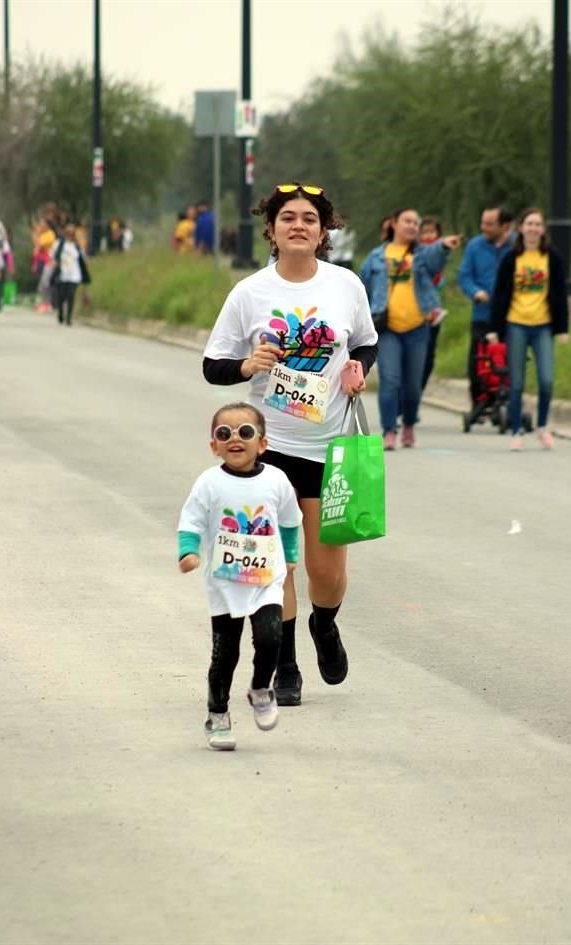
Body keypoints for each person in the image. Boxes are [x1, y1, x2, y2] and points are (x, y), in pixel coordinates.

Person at [202, 182, 378, 707]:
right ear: (272, 231)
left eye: (308, 219)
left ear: (323, 231)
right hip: (269, 451)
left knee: (328, 572)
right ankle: (286, 664)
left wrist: (356, 369)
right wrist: (246, 365)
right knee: (276, 565)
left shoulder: (345, 285)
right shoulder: (250, 293)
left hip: (331, 449)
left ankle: (325, 625)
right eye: (288, 219)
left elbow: (366, 342)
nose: (298, 225)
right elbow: (213, 365)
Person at [178, 402, 302, 750]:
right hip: (225, 580)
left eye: (245, 432)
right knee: (225, 653)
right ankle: (217, 713)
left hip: (266, 578)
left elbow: (292, 521)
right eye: (224, 433)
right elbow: (191, 522)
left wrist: (290, 556)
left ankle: (261, 688)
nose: (235, 439)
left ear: (262, 443)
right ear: (213, 445)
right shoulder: (209, 483)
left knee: (270, 638)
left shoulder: (276, 480)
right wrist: (188, 552)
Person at [359, 208, 461, 449]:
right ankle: (389, 430)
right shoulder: (375, 257)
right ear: (394, 223)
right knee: (390, 379)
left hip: (418, 328)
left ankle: (409, 424)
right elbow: (360, 287)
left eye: (416, 223)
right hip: (387, 329)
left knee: (413, 384)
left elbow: (436, 261)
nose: (412, 226)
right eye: (407, 221)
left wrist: (444, 246)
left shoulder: (423, 254)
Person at [488, 208, 569, 451]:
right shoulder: (511, 258)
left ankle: (542, 426)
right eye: (529, 224)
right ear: (522, 228)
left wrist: (562, 328)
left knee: (546, 380)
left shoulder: (551, 257)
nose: (533, 228)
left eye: (537, 224)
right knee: (516, 383)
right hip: (517, 325)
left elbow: (560, 293)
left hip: (543, 326)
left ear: (542, 230)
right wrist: (495, 329)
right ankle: (516, 430)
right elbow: (500, 294)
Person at [458, 206, 515, 405]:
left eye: (489, 224)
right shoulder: (475, 246)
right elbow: (464, 276)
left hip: (511, 316)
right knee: (478, 362)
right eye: (483, 223)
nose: (484, 228)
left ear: (505, 226)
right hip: (482, 314)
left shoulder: (518, 246)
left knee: (509, 360)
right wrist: (476, 292)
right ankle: (480, 402)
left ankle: (507, 399)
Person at [418, 215, 448, 390]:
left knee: (429, 354)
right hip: (415, 312)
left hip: (433, 312)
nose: (428, 236)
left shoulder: (441, 253)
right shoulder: (415, 253)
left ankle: (418, 392)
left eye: (432, 232)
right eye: (425, 232)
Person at [51, 223, 91, 326]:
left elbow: (84, 260)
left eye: (72, 234)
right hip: (62, 274)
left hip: (74, 275)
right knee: (61, 296)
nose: (70, 236)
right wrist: (54, 263)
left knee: (71, 295)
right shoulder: (59, 244)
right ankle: (60, 312)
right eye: (68, 233)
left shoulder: (77, 247)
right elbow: (52, 256)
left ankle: (69, 318)